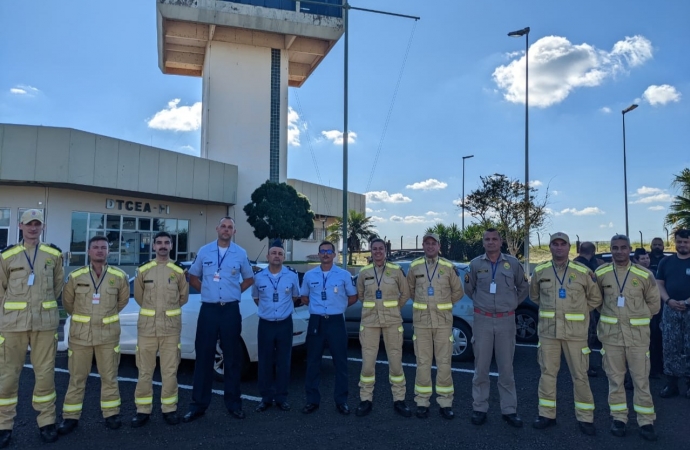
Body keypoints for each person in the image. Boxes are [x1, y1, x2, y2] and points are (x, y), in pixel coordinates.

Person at [0, 210, 64, 447]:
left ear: (42, 226)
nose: (33, 228)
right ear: (21, 226)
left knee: (45, 375)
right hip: (12, 326)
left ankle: (46, 422)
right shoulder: (7, 256)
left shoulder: (53, 254)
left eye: (37, 224)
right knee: (7, 377)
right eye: (29, 224)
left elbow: (57, 286)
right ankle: (4, 425)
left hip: (44, 325)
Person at [183, 217, 254, 423]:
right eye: (223, 226)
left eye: (230, 227)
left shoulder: (240, 253)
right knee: (204, 357)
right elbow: (193, 276)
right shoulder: (204, 251)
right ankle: (198, 405)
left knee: (232, 359)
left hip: (230, 310)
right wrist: (206, 290)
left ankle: (233, 404)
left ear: (234, 231)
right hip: (209, 310)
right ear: (217, 229)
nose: (226, 229)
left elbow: (249, 278)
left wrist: (235, 291)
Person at [529, 232, 601, 436]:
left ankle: (585, 418)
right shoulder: (540, 271)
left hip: (576, 334)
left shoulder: (583, 272)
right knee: (547, 374)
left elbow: (594, 299)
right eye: (555, 244)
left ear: (569, 248)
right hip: (548, 333)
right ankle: (546, 414)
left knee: (580, 376)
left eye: (563, 244)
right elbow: (535, 297)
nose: (559, 247)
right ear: (550, 247)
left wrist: (578, 312)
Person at [58, 236, 130, 434]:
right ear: (89, 251)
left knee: (110, 377)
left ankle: (111, 414)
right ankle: (70, 418)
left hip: (108, 336)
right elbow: (68, 304)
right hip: (81, 336)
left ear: (108, 251)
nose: (100, 250)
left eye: (103, 248)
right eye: (96, 247)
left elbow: (122, 302)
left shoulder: (119, 275)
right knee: (76, 378)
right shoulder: (75, 276)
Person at [595, 234, 660, 441]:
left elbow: (654, 304)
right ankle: (619, 418)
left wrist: (637, 319)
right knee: (615, 380)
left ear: (629, 249)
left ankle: (646, 421)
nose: (619, 251)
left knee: (641, 380)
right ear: (611, 249)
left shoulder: (644, 274)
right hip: (611, 336)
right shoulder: (601, 273)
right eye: (615, 248)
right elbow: (597, 301)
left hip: (637, 338)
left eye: (623, 248)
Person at [465, 228, 528, 428]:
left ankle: (509, 410)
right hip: (482, 320)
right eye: (487, 239)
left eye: (494, 239)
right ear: (483, 243)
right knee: (481, 368)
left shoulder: (513, 263)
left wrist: (511, 304)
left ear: (500, 241)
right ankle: (479, 408)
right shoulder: (475, 264)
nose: (491, 242)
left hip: (506, 321)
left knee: (506, 369)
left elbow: (524, 288)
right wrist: (483, 304)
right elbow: (469, 289)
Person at [131, 231, 189, 428]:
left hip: (170, 330)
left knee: (170, 371)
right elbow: (139, 297)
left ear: (171, 246)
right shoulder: (143, 270)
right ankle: (143, 410)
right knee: (145, 371)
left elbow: (183, 297)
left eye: (166, 242)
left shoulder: (179, 271)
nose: (163, 246)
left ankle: (169, 409)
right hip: (147, 329)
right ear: (154, 246)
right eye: (159, 243)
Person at [406, 232, 463, 420]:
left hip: (443, 323)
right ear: (423, 245)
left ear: (439, 246)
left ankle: (445, 402)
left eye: (434, 243)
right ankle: (422, 402)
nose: (430, 246)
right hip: (421, 323)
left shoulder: (448, 267)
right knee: (422, 363)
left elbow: (458, 292)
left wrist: (442, 306)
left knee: (444, 363)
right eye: (427, 243)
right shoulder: (414, 266)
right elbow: (410, 291)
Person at [355, 238, 411, 418]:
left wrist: (394, 308)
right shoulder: (364, 272)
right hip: (370, 322)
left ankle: (399, 400)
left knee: (395, 361)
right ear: (370, 251)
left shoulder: (396, 271)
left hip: (392, 321)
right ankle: (365, 399)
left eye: (380, 249)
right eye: (374, 249)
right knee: (368, 362)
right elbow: (361, 295)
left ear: (385, 251)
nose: (378, 252)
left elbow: (406, 293)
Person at [300, 241, 357, 415]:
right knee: (313, 362)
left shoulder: (343, 275)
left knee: (340, 363)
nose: (325, 254)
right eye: (322, 251)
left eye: (328, 251)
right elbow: (304, 297)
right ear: (318, 254)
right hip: (316, 321)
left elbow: (353, 296)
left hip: (336, 322)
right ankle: (312, 401)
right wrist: (318, 307)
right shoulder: (310, 275)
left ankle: (341, 401)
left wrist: (338, 307)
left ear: (334, 255)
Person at [252, 240, 300, 413]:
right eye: (274, 253)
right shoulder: (259, 277)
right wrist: (269, 312)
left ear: (284, 257)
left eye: (280, 253)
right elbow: (256, 298)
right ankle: (265, 398)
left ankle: (281, 397)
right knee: (264, 361)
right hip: (265, 324)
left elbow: (295, 297)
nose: (277, 256)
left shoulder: (292, 276)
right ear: (268, 256)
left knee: (283, 361)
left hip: (284, 324)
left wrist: (281, 312)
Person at [656, 229, 690, 399]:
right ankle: (672, 383)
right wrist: (668, 301)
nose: (682, 244)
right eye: (679, 241)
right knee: (670, 347)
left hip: (689, 309)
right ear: (674, 242)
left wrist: (686, 302)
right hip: (670, 310)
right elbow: (659, 284)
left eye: (686, 241)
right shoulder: (665, 262)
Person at [574, 241, 603, 378]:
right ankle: (585, 366)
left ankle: (582, 364)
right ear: (593, 252)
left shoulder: (573, 264)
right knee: (588, 339)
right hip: (587, 307)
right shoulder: (591, 266)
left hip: (574, 306)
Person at [633, 248, 663, 379]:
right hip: (637, 315)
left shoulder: (654, 273)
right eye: (643, 259)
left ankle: (654, 369)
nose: (646, 261)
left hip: (654, 315)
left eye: (647, 258)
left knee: (654, 342)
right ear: (636, 260)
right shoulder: (633, 274)